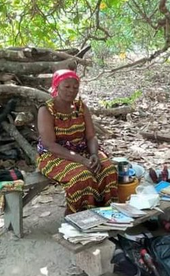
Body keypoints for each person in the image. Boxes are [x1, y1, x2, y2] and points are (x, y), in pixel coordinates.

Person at [37, 69, 119, 214]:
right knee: (83, 176)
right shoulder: (46, 110)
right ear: (56, 87)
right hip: (54, 156)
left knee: (108, 168)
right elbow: (50, 145)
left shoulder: (80, 107)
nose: (71, 91)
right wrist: (82, 160)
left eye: (75, 87)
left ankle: (106, 213)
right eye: (66, 87)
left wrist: (94, 154)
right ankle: (77, 217)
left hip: (82, 151)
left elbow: (91, 137)